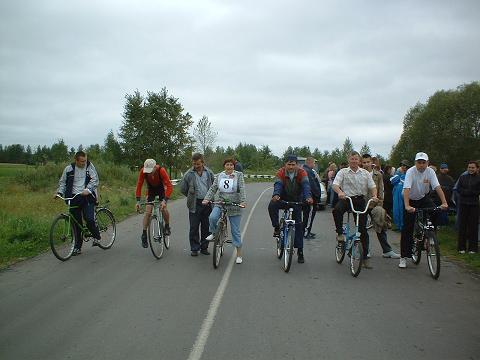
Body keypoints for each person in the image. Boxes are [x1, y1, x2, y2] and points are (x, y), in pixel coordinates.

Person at [399, 152, 448, 268]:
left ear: (427, 163)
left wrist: (444, 202)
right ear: (415, 163)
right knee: (407, 228)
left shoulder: (430, 172)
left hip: (422, 197)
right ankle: (403, 257)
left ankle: (430, 234)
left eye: (423, 163)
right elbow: (406, 189)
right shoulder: (411, 171)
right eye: (419, 162)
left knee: (436, 210)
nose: (421, 165)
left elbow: (437, 187)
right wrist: (407, 206)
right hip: (409, 199)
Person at [332, 151, 378, 268]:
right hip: (346, 198)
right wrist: (340, 192)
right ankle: (340, 233)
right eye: (352, 159)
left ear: (359, 161)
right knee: (337, 210)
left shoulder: (365, 173)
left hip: (360, 200)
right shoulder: (343, 172)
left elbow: (372, 186)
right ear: (349, 160)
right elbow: (335, 184)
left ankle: (365, 258)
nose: (354, 161)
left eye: (356, 159)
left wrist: (374, 196)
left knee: (363, 230)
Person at [268, 155, 313, 263]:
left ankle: (300, 252)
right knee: (272, 205)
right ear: (285, 164)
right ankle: (277, 227)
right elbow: (278, 184)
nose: (291, 167)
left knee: (298, 226)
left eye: (293, 164)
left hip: (297, 200)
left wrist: (308, 197)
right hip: (283, 199)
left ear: (297, 165)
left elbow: (306, 185)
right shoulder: (281, 172)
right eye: (289, 164)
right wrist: (276, 194)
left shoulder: (302, 173)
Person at [55, 151, 100, 256]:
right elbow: (62, 182)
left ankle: (96, 236)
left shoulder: (89, 166)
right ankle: (77, 247)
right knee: (76, 225)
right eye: (82, 161)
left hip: (87, 197)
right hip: (73, 197)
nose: (84, 163)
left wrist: (88, 190)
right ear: (76, 160)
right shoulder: (69, 169)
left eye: (85, 160)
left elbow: (95, 180)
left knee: (89, 219)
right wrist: (59, 192)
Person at [203, 158, 247, 264]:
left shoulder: (239, 175)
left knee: (235, 231)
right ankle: (214, 233)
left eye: (231, 165)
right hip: (221, 202)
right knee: (212, 217)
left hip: (234, 205)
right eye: (227, 164)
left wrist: (243, 201)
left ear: (234, 166)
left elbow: (242, 188)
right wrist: (207, 198)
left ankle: (239, 254)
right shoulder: (219, 175)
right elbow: (213, 188)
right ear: (224, 166)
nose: (229, 166)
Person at [361, 154, 400, 260]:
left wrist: (380, 205)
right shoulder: (359, 174)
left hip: (375, 204)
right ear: (361, 163)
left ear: (371, 163)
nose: (366, 164)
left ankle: (387, 251)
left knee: (381, 226)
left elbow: (381, 190)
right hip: (362, 205)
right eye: (364, 162)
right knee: (362, 229)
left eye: (368, 162)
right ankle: (365, 250)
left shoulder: (378, 175)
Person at [180, 153, 215, 256]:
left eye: (198, 164)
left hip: (207, 203)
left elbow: (214, 185)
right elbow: (183, 189)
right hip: (195, 204)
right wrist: (191, 197)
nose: (196, 166)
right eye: (194, 164)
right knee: (194, 227)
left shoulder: (209, 173)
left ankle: (204, 247)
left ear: (202, 162)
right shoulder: (188, 174)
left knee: (206, 226)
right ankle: (194, 248)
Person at [135, 158, 173, 248]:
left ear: (155, 167)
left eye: (150, 171)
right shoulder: (143, 171)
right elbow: (139, 185)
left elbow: (169, 186)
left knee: (163, 208)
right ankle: (144, 234)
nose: (148, 173)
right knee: (148, 212)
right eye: (147, 171)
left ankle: (167, 226)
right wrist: (138, 201)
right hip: (151, 191)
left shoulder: (161, 170)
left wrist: (164, 200)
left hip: (160, 191)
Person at [456, 161, 480, 254]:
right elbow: (458, 189)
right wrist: (467, 192)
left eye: (473, 167)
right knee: (462, 226)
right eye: (469, 167)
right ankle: (461, 247)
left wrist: (470, 192)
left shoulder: (479, 178)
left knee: (473, 226)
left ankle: (472, 248)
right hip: (463, 204)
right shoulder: (462, 177)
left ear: (477, 168)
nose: (471, 169)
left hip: (474, 205)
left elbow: (477, 191)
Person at [303, 157, 321, 239]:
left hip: (307, 197)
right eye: (314, 163)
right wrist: (317, 196)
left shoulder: (304, 170)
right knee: (309, 216)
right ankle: (306, 232)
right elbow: (312, 186)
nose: (314, 165)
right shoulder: (309, 171)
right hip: (311, 198)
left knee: (306, 216)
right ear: (310, 162)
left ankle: (306, 230)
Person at [391, 160, 409, 231]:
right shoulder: (397, 173)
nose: (403, 167)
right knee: (396, 210)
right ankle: (398, 225)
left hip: (404, 194)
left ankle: (403, 226)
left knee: (402, 210)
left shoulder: (409, 174)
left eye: (404, 165)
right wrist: (399, 175)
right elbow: (392, 181)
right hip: (396, 194)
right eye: (402, 165)